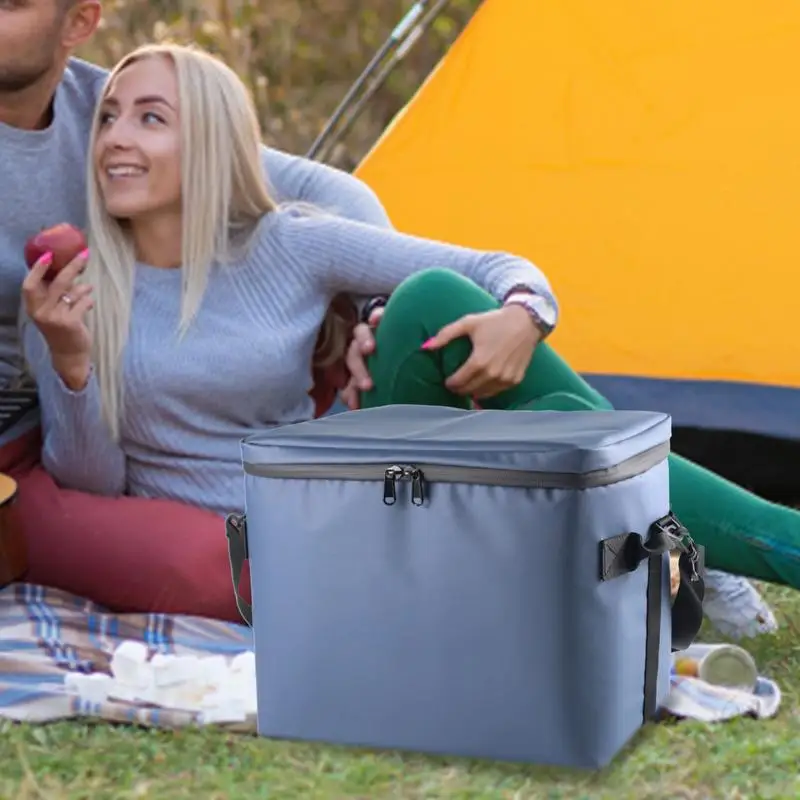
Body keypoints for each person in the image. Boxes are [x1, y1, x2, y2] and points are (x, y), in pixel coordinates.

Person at [20, 43, 794, 638]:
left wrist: (523, 314)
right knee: (555, 413)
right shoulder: (69, 289)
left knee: (438, 303)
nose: (115, 137)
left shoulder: (288, 243)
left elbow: (493, 267)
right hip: (293, 539)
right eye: (111, 114)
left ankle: (697, 533)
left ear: (217, 142)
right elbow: (90, 487)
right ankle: (692, 534)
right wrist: (73, 362)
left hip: (362, 481)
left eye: (151, 117)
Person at [0, 0, 391, 618]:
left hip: (97, 399)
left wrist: (377, 314)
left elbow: (332, 193)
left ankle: (564, 516)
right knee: (205, 564)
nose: (121, 135)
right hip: (39, 437)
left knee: (386, 325)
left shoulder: (112, 113)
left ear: (77, 23)